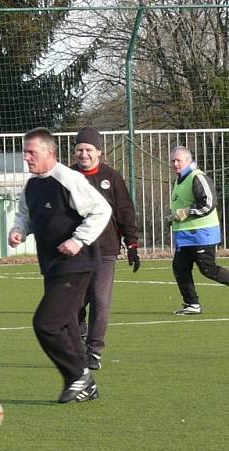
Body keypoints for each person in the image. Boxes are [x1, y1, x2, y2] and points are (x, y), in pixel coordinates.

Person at [8, 128, 112, 404]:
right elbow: (25, 214)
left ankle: (78, 375)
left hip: (76, 265)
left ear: (50, 153)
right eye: (25, 152)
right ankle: (84, 383)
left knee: (46, 324)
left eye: (32, 152)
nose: (26, 157)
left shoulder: (68, 178)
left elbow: (102, 210)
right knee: (65, 325)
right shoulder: (32, 185)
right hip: (53, 266)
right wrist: (19, 230)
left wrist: (79, 240)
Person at [70, 127, 141, 370]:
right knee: (75, 302)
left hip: (105, 249)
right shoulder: (66, 177)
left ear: (99, 151)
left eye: (89, 149)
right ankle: (79, 342)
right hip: (75, 251)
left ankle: (94, 351)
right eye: (79, 149)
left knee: (101, 301)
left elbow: (125, 211)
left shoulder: (112, 177)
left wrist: (132, 244)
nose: (84, 154)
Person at [167, 145, 229, 314]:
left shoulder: (197, 177)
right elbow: (181, 205)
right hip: (186, 236)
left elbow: (209, 203)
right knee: (180, 267)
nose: (175, 164)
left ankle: (192, 303)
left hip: (201, 234)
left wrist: (188, 212)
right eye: (173, 161)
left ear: (189, 160)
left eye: (178, 160)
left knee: (208, 269)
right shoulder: (179, 180)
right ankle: (192, 304)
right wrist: (172, 217)